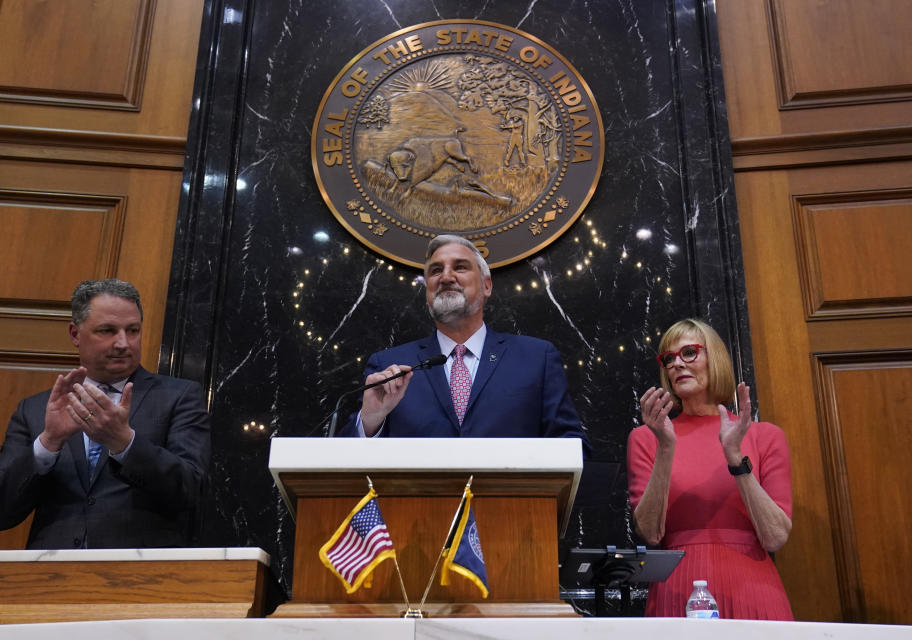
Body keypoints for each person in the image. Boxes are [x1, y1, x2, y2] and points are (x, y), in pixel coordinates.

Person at [0, 279, 211, 549]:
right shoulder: (33, 410)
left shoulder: (179, 397)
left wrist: (125, 444)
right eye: (108, 331)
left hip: (142, 579)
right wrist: (48, 443)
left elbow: (193, 491)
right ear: (75, 334)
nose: (123, 343)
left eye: (133, 330)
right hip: (50, 580)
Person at [338, 234, 588, 446]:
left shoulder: (535, 358)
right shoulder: (389, 366)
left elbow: (571, 448)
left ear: (486, 285)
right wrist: (370, 421)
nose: (446, 277)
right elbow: (341, 467)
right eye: (436, 270)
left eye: (460, 267)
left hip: (510, 503)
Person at [627, 318, 793, 619]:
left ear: (713, 358)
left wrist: (734, 457)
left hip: (753, 591)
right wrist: (666, 447)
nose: (677, 364)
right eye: (669, 358)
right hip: (676, 589)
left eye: (689, 352)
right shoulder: (646, 439)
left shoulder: (765, 436)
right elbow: (651, 534)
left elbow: (775, 538)